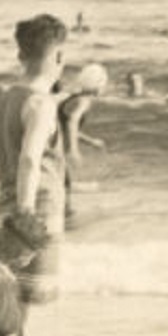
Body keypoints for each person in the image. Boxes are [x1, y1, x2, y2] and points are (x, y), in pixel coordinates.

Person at [0, 13, 69, 306]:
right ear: (59, 55)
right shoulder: (41, 103)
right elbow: (29, 160)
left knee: (8, 302)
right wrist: (26, 210)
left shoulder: (4, 99)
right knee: (26, 303)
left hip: (3, 211)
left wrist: (3, 178)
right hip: (35, 211)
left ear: (20, 54)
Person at [58, 63, 109, 219]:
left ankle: (63, 216)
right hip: (56, 149)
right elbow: (72, 121)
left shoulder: (74, 98)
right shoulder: (84, 101)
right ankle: (65, 219)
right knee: (63, 186)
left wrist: (91, 141)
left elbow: (67, 127)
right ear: (99, 84)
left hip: (51, 146)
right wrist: (74, 150)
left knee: (61, 184)